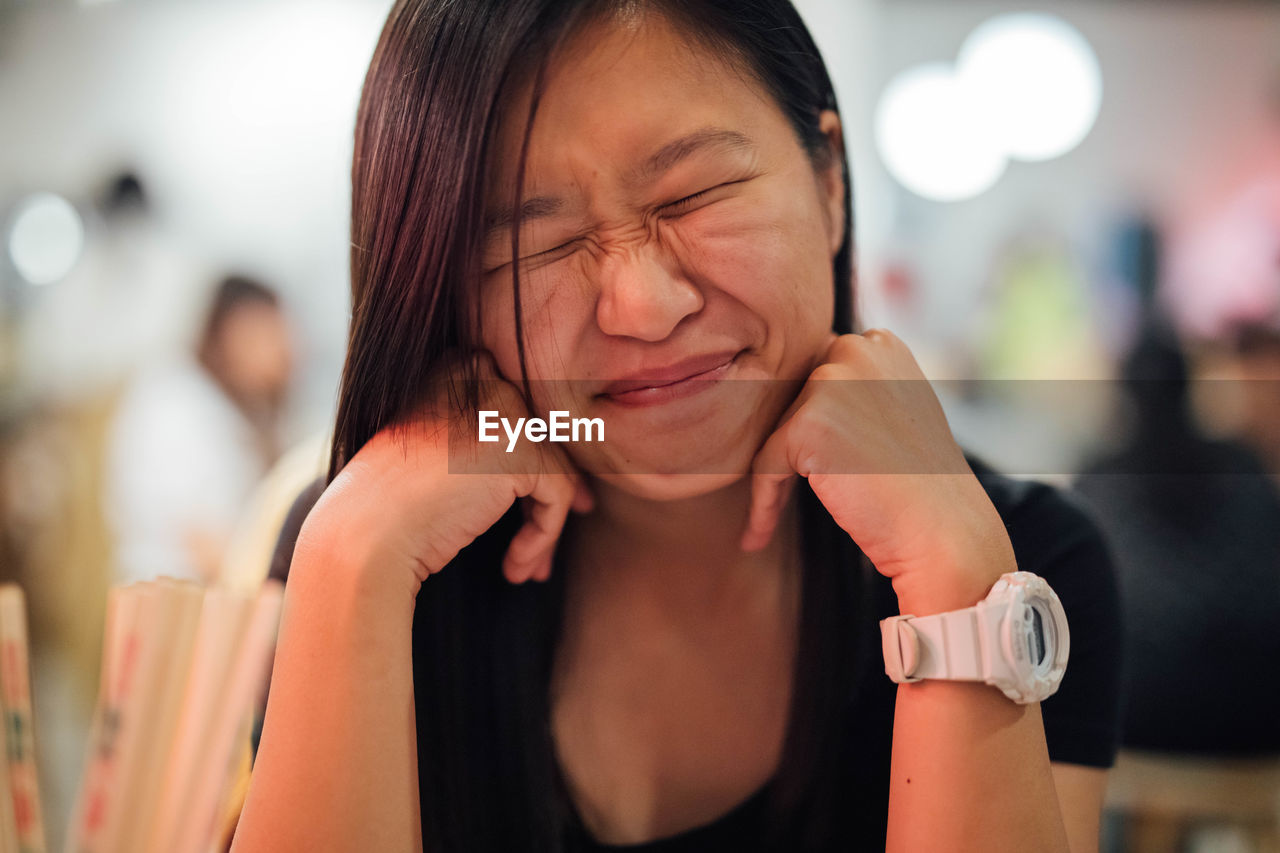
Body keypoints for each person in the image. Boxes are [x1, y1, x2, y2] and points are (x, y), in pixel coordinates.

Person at [232, 2, 1121, 851]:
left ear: (830, 182)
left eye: (695, 194)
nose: (642, 307)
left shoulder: (1021, 559)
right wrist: (350, 556)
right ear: (446, 293)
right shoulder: (389, 548)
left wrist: (954, 574)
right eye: (533, 244)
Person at [103, 275, 294, 585]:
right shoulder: (176, 402)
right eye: (270, 334)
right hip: (170, 603)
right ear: (233, 332)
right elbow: (202, 541)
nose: (286, 353)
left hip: (205, 597)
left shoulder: (237, 407)